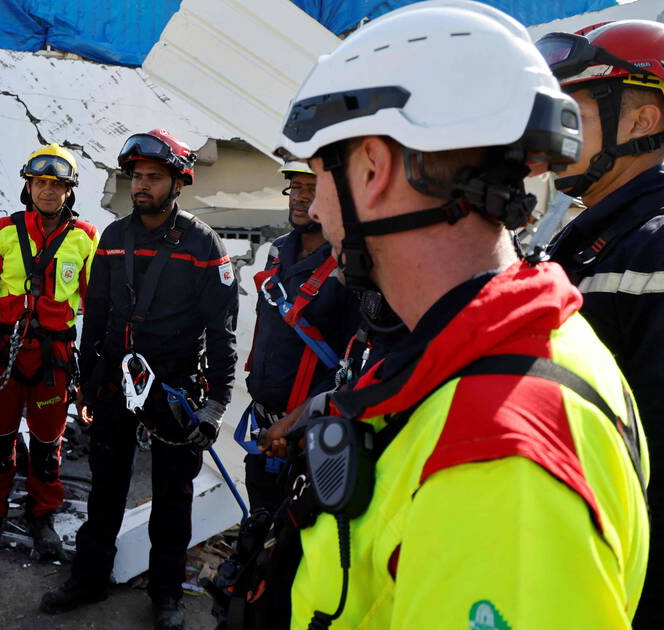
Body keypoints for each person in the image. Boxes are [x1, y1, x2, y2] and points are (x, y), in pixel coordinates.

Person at [271, 2, 648, 628]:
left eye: (321, 173)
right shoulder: (501, 343)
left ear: (371, 169)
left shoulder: (497, 458)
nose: (316, 213)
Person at [40, 128, 238, 630]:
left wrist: (215, 407)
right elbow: (97, 313)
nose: (142, 186)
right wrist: (87, 383)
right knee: (105, 488)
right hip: (114, 386)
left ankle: (166, 595)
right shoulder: (112, 238)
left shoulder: (203, 244)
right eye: (137, 177)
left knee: (173, 497)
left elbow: (222, 333)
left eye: (153, 177)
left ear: (178, 182)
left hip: (174, 392)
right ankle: (87, 579)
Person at [536, 21, 664, 627]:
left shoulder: (652, 246)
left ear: (643, 122)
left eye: (572, 112)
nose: (553, 133)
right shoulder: (596, 237)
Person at [0, 143, 98, 556]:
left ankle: (42, 516)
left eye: (57, 184)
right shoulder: (3, 229)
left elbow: (95, 305)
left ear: (69, 191)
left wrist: (91, 372)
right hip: (6, 350)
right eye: (41, 182)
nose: (48, 191)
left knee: (47, 442)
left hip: (54, 359)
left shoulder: (85, 238)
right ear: (29, 186)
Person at [243, 160, 361, 511]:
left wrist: (294, 425)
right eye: (295, 188)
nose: (299, 198)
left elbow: (350, 365)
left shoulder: (350, 265)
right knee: (257, 530)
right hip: (264, 426)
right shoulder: (279, 250)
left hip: (311, 434)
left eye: (311, 189)